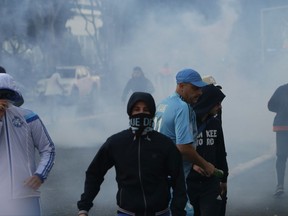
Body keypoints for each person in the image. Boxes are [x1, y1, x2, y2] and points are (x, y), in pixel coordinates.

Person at [77, 92, 187, 216]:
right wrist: (84, 207)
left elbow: (179, 181)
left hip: (160, 213)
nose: (141, 113)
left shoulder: (164, 144)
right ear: (130, 112)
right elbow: (95, 173)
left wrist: (178, 211)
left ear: (152, 113)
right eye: (136, 109)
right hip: (127, 212)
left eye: (146, 109)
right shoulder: (116, 142)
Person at [154, 68, 216, 216]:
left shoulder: (164, 103)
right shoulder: (182, 107)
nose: (199, 93)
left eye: (200, 88)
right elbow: (183, 147)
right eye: (195, 88)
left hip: (158, 176)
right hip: (172, 179)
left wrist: (193, 163)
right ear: (181, 86)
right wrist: (205, 165)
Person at [0, 73, 56, 216]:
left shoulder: (29, 117)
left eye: (6, 94)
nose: (2, 99)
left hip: (25, 195)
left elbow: (48, 149)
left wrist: (40, 174)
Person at [186, 84, 229, 216]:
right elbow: (179, 149)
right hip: (189, 182)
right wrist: (193, 164)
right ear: (208, 102)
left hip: (211, 182)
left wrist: (224, 179)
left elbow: (221, 152)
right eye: (217, 103)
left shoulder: (215, 123)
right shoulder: (187, 122)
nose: (220, 107)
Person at [201, 75, 227, 216]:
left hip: (213, 171)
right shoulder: (191, 115)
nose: (219, 105)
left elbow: (220, 147)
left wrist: (224, 176)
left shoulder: (215, 116)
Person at [268, 83, 288, 197]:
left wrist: (281, 110)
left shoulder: (281, 89)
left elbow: (270, 105)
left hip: (282, 127)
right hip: (283, 127)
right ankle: (279, 185)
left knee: (281, 156)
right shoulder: (282, 89)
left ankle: (280, 185)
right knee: (281, 156)